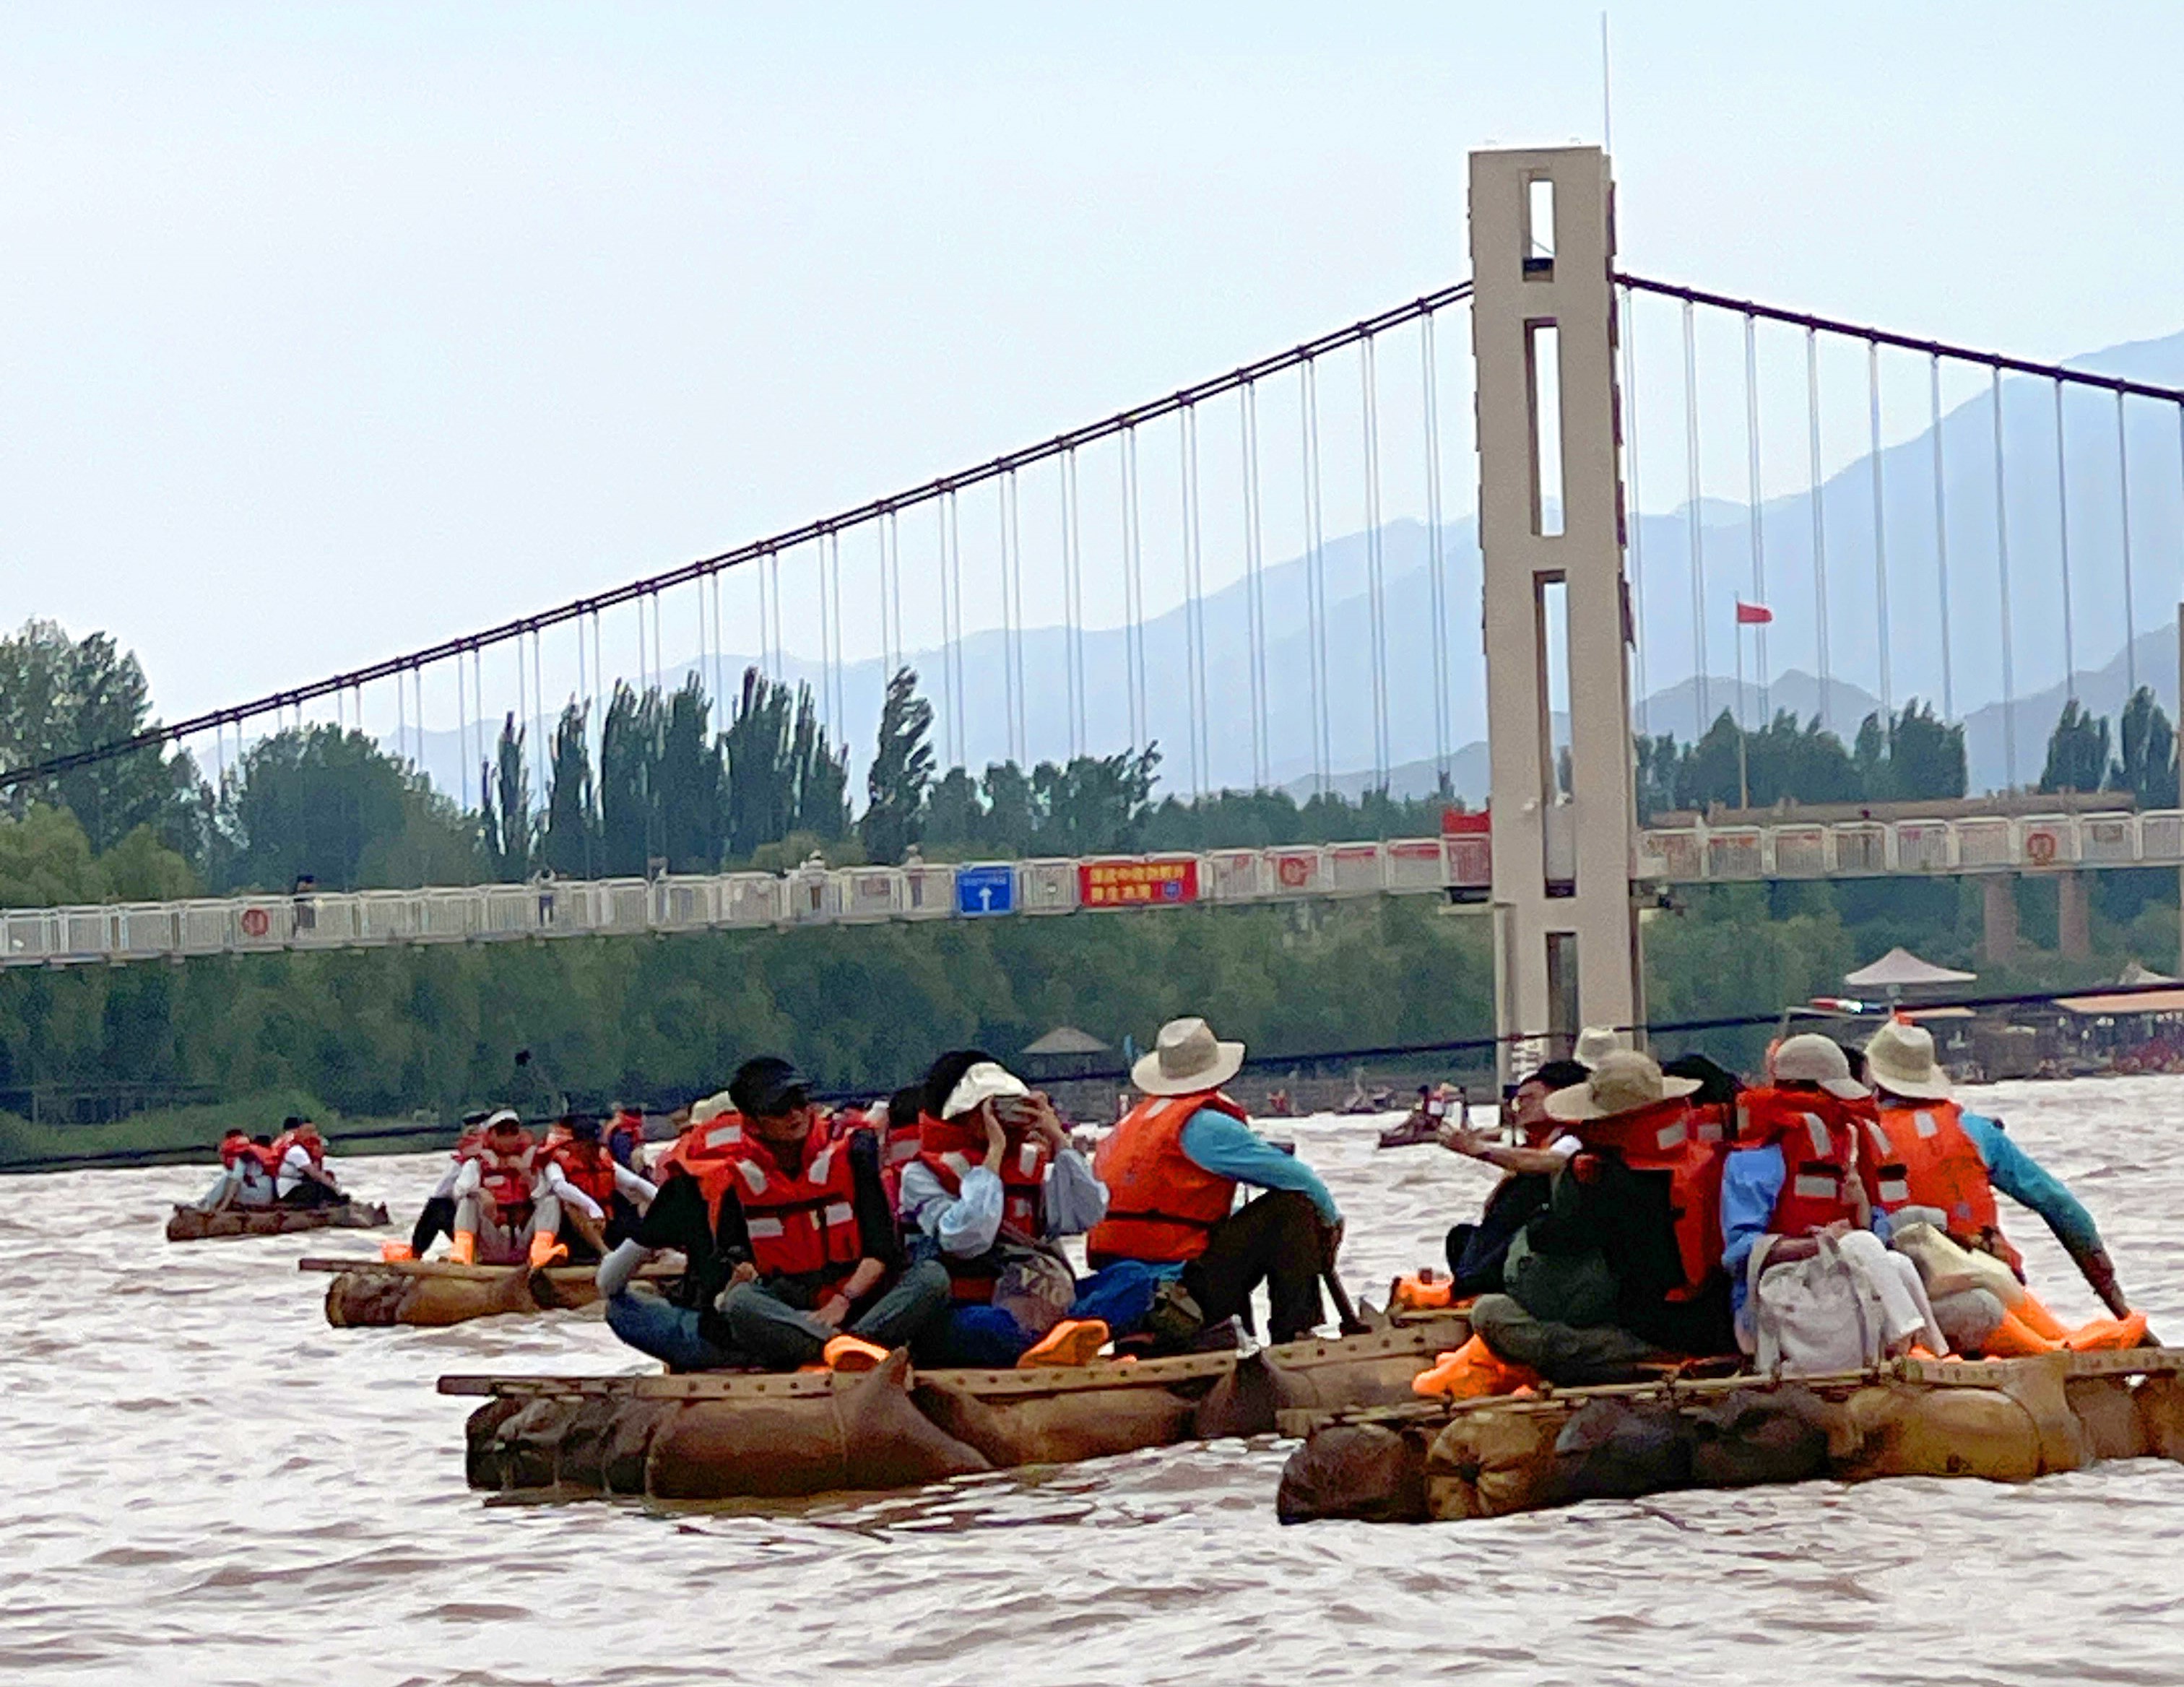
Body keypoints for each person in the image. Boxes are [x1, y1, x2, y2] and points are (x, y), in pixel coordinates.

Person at [1434, 1051, 1735, 1392]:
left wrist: (1556, 1197)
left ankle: (1645, 1359)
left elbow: (1550, 1243)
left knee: (1492, 1314)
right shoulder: (1710, 1152)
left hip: (1649, 1328)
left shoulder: (1598, 1176)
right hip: (1716, 1320)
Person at [1859, 1018, 2146, 1353]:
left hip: (1908, 1299)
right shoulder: (1976, 1131)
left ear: (1874, 1081)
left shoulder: (1857, 1135)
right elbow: (2060, 1205)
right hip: (1990, 1278)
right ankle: (2114, 1332)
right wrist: (2115, 1300)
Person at [1086, 1016, 1344, 1348]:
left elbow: (1172, 1209)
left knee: (1225, 1227)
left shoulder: (1131, 1125)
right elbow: (1301, 1180)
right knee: (1292, 1209)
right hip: (1179, 1292)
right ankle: (1294, 1333)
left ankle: (1241, 1336)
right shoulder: (1202, 1124)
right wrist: (1331, 1223)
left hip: (1129, 1289)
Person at [688, 1057, 950, 1371]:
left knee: (933, 1279)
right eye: (779, 1108)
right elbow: (734, 1257)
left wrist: (845, 1299)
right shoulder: (736, 1179)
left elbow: (881, 1250)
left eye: (800, 1101)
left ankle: (848, 1345)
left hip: (860, 1298)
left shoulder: (854, 1153)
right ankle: (847, 1349)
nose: (795, 1114)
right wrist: (738, 1275)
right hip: (793, 1308)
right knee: (740, 1303)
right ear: (754, 1122)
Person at [901, 1050, 1118, 1368]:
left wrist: (1057, 1137)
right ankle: (1045, 1343)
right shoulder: (921, 1174)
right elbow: (966, 1238)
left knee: (1133, 1280)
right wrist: (995, 1152)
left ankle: (1052, 1339)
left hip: (1038, 1301)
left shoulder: (1031, 1164)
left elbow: (1086, 1214)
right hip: (968, 1306)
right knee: (989, 1327)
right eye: (987, 1109)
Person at [1720, 1033, 1882, 1353]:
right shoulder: (1754, 1158)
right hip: (1774, 1291)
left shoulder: (1847, 1143)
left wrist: (1862, 1210)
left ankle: (1915, 1347)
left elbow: (1879, 1228)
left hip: (1841, 1276)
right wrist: (1819, 1245)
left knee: (1894, 1262)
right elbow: (1740, 1252)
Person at [1436, 1058, 1589, 1296]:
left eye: (1529, 1099)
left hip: (1546, 1245)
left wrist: (1479, 1149)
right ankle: (1472, 1279)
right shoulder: (1539, 1142)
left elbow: (1550, 1161)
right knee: (1460, 1237)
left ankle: (1477, 1281)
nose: (1520, 1108)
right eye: (1518, 1100)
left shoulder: (1576, 1139)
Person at [448, 1109, 566, 1268]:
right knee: (468, 1201)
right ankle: (462, 1253)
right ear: (491, 1135)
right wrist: (481, 1193)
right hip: (493, 1236)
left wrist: (526, 1174)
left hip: (522, 1238)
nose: (508, 1137)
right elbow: (459, 1190)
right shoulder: (476, 1163)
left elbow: (542, 1195)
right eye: (502, 1132)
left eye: (513, 1131)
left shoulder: (531, 1162)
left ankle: (541, 1253)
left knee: (551, 1200)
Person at [545, 1112, 658, 1261]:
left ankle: (654, 1250)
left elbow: (634, 1182)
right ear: (575, 1143)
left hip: (607, 1221)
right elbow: (560, 1187)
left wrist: (662, 1199)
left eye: (596, 1145)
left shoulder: (602, 1160)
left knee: (638, 1202)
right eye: (589, 1145)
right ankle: (605, 1253)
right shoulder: (555, 1161)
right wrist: (592, 1208)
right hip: (572, 1230)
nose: (594, 1150)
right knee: (571, 1206)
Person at [194, 1129, 280, 1213]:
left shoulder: (244, 1156)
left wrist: (223, 1207)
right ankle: (207, 1202)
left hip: (256, 1198)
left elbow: (236, 1181)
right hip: (269, 1197)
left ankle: (208, 1205)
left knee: (228, 1178)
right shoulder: (273, 1156)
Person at [270, 1117, 348, 1209]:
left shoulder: (298, 1147)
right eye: (308, 1131)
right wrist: (334, 1187)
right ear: (298, 1132)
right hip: (288, 1191)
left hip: (295, 1185)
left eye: (314, 1131)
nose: (313, 1135)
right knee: (318, 1188)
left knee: (327, 1177)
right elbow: (314, 1174)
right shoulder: (296, 1150)